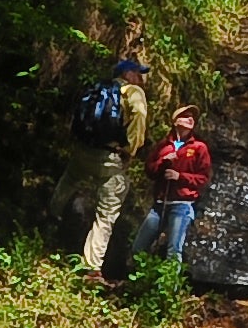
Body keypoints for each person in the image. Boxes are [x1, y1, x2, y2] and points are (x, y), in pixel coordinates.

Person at [76, 51, 152, 275]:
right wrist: (131, 150)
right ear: (128, 74)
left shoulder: (101, 89)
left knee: (69, 182)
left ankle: (47, 229)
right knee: (106, 213)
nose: (140, 78)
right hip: (110, 156)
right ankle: (91, 267)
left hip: (84, 151)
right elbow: (138, 116)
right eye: (138, 73)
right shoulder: (132, 92)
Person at [136, 106, 214, 268]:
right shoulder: (163, 146)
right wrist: (163, 162)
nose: (190, 119)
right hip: (159, 204)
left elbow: (204, 179)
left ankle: (170, 289)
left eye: (192, 117)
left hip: (182, 205)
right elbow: (150, 171)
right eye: (186, 116)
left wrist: (180, 177)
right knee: (138, 247)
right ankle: (139, 283)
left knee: (173, 250)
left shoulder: (199, 148)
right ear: (175, 121)